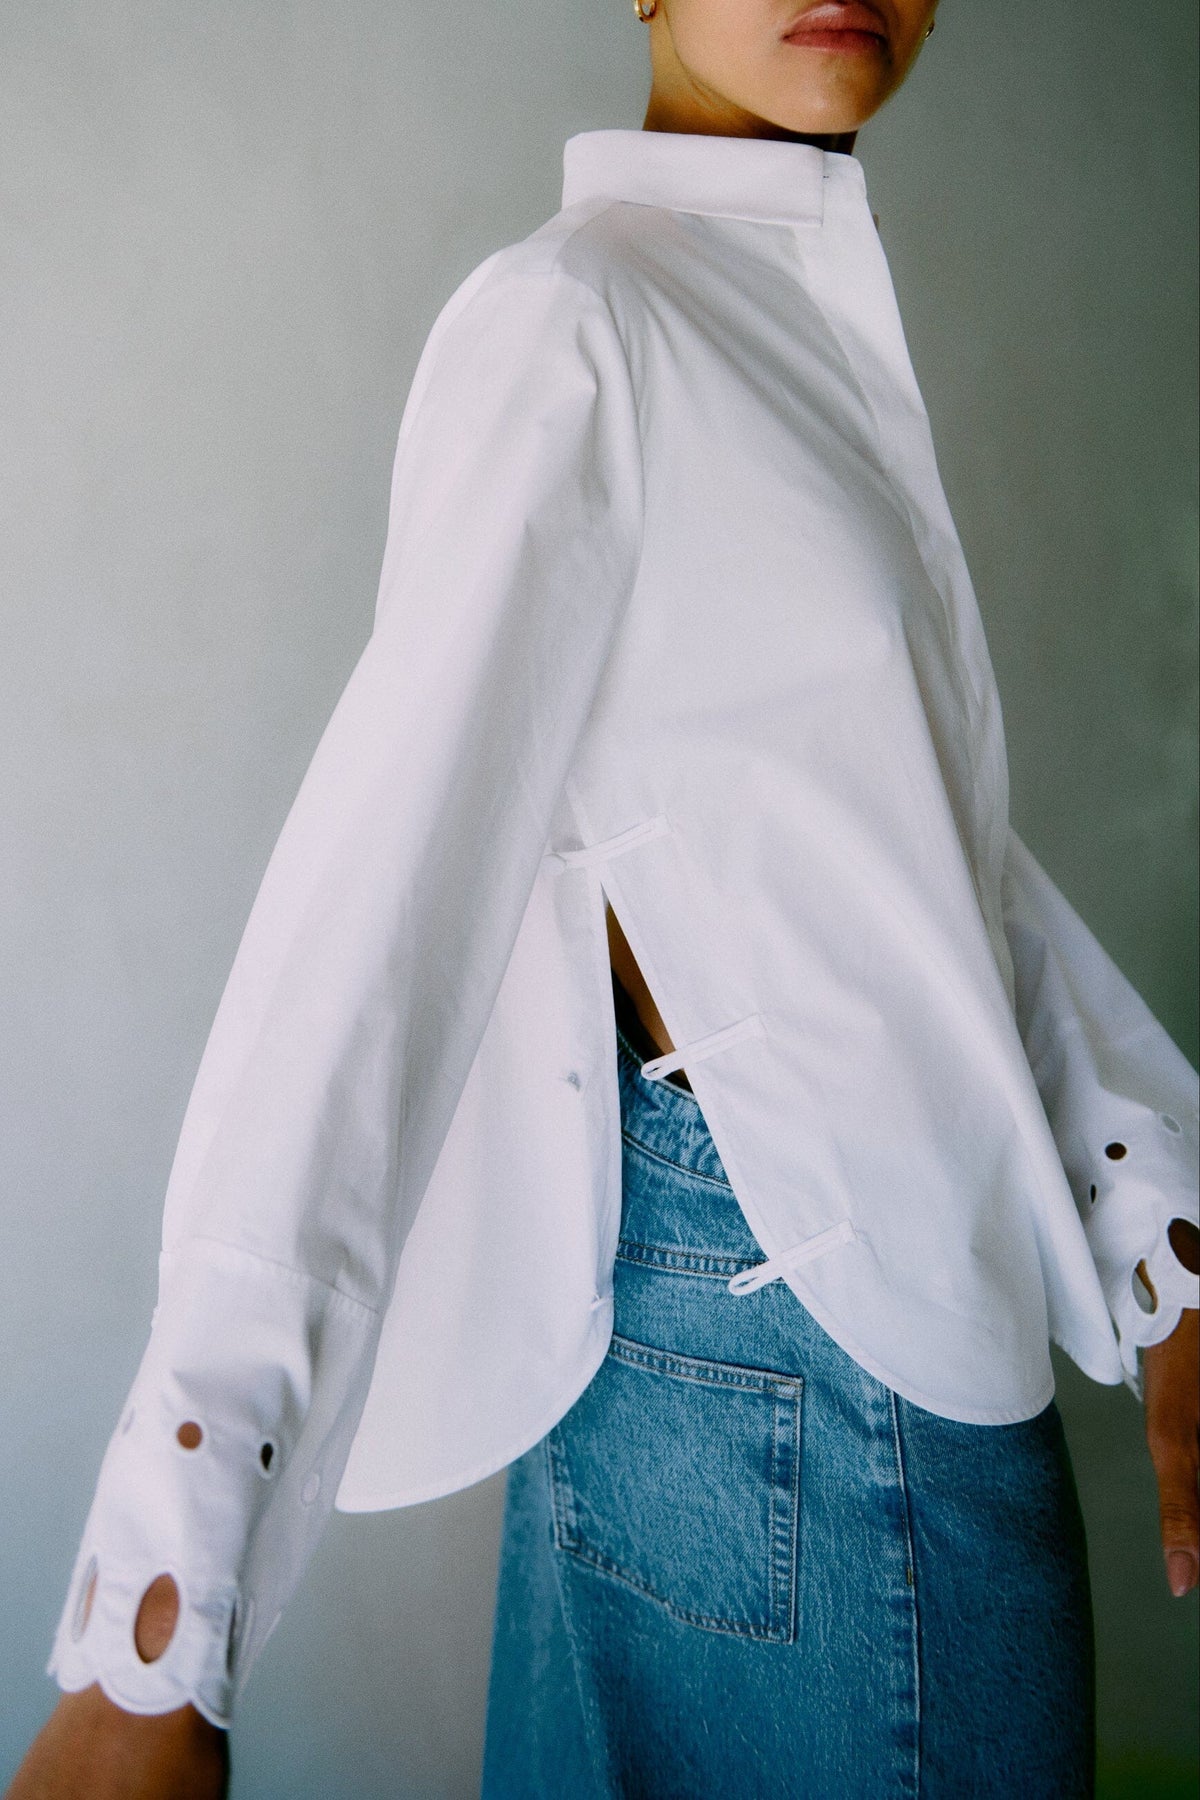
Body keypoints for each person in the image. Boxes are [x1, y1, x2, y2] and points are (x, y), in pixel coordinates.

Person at [9, 2, 1199, 1796]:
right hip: (808, 1369)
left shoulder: (770, 301)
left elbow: (904, 857)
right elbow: (381, 907)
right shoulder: (580, 318)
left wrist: (1160, 1226)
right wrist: (164, 1602)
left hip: (712, 1332)